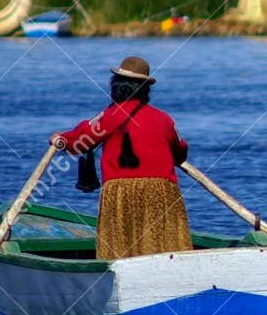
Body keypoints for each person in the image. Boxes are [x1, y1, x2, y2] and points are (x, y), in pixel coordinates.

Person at [53, 56, 191, 261]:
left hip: (121, 193)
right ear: (145, 89)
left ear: (115, 86)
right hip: (162, 192)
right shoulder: (164, 119)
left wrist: (60, 139)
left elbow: (81, 140)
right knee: (163, 243)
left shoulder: (109, 116)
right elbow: (180, 153)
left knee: (121, 249)